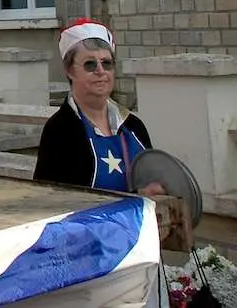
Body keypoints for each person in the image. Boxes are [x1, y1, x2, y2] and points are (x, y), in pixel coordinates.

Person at [34, 20, 159, 194]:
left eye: (106, 63)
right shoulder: (60, 130)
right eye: (90, 64)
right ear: (70, 71)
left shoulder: (134, 126)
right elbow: (49, 200)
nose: (101, 71)